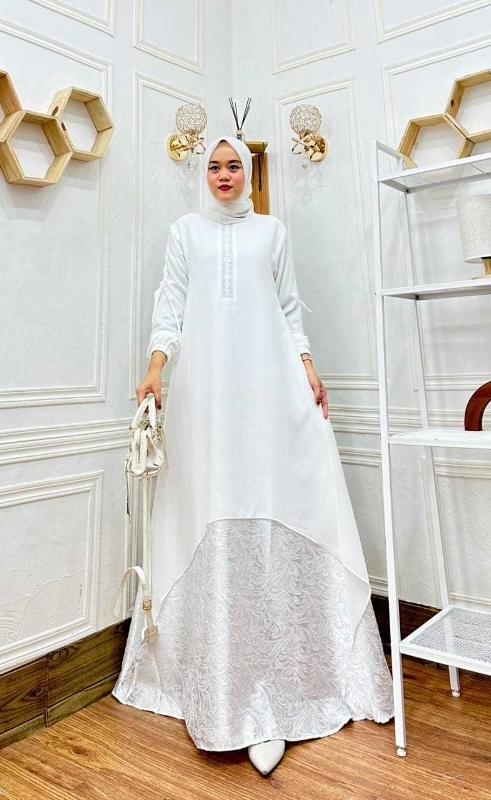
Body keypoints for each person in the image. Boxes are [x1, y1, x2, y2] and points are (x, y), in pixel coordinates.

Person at [112, 135, 393, 776]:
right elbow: (170, 305)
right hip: (205, 399)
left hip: (270, 388)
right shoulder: (185, 232)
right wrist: (156, 367)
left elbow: (289, 309)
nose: (223, 174)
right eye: (213, 166)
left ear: (249, 172)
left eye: (233, 165)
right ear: (203, 173)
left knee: (277, 493)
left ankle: (288, 685)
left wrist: (308, 367)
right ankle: (219, 689)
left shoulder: (272, 232)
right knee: (211, 500)